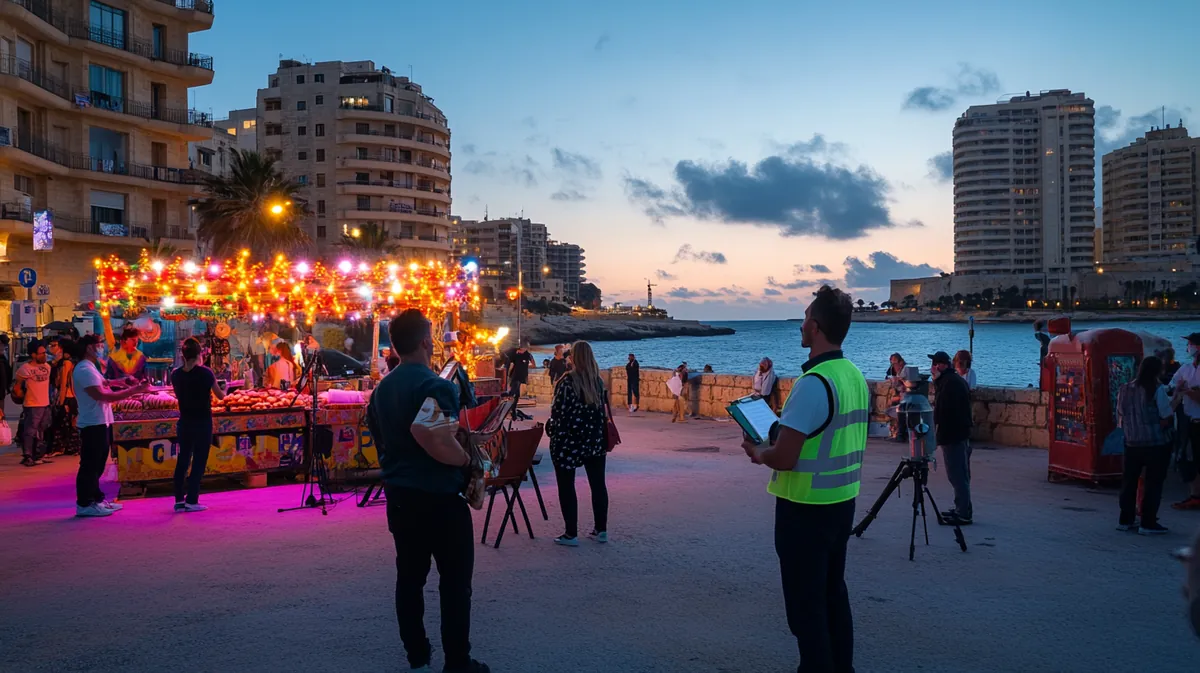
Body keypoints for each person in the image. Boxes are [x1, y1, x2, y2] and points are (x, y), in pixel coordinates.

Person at [739, 285, 865, 673]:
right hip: (841, 504)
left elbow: (786, 457)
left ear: (815, 326)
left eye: (805, 317)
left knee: (806, 612)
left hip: (804, 511)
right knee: (832, 597)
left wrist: (759, 452)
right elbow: (823, 435)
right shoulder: (853, 375)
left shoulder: (813, 383)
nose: (801, 324)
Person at [365, 309, 489, 673]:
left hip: (401, 496)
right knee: (454, 585)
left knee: (410, 579)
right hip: (439, 499)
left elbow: (392, 437)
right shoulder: (437, 384)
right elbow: (429, 434)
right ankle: (457, 662)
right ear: (424, 342)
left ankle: (417, 653)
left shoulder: (381, 389)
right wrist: (466, 459)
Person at [72, 334, 147, 517]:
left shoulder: (91, 367)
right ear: (89, 347)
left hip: (101, 421)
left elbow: (102, 384)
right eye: (98, 345)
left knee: (98, 465)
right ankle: (85, 503)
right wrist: (132, 391)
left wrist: (119, 382)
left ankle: (96, 499)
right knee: (90, 465)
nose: (101, 348)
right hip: (92, 423)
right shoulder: (83, 369)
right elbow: (102, 395)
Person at [547, 340, 611, 547]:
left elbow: (558, 413)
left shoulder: (567, 382)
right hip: (594, 439)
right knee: (598, 485)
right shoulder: (597, 381)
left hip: (569, 441)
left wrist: (551, 429)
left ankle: (571, 533)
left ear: (574, 357)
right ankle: (601, 530)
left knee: (567, 486)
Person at [1116, 356, 1174, 535]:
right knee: (1153, 483)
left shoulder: (1124, 389)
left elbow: (1120, 415)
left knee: (1129, 482)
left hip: (1132, 442)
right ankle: (1148, 523)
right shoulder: (1156, 390)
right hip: (1155, 443)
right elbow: (1165, 416)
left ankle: (1125, 519)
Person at [171, 338, 225, 513]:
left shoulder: (176, 374)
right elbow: (220, 396)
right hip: (202, 422)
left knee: (183, 460)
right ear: (200, 354)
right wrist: (226, 388)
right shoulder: (206, 373)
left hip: (184, 422)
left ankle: (179, 499)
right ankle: (192, 499)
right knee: (199, 461)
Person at [930, 350, 974, 525]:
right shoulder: (951, 381)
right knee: (960, 474)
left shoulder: (949, 383)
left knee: (957, 475)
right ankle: (962, 509)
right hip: (959, 434)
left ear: (943, 365)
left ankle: (963, 513)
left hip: (953, 435)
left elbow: (943, 412)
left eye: (935, 364)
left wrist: (936, 433)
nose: (932, 368)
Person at [1172, 333, 1200, 511]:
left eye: (1190, 344)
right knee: (1188, 458)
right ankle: (1194, 494)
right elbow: (1173, 387)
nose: (1188, 348)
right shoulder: (1186, 368)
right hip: (1188, 422)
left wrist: (1188, 391)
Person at [15, 340, 53, 467]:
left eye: (44, 353)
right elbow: (17, 387)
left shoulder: (47, 367)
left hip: (45, 403)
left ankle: (38, 454)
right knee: (30, 431)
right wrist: (20, 395)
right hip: (32, 404)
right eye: (41, 353)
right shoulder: (25, 369)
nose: (44, 355)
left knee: (42, 429)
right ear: (33, 355)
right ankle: (28, 456)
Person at [49, 338, 81, 457]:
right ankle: (72, 447)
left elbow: (63, 384)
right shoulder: (73, 362)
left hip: (67, 397)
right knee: (71, 424)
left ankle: (63, 447)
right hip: (72, 397)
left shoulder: (66, 363)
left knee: (63, 424)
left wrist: (60, 401)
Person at [504, 341, 535, 418]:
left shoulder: (528, 355)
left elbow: (533, 364)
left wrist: (525, 366)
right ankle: (510, 410)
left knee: (516, 395)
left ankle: (513, 410)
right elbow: (509, 363)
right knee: (513, 393)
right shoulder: (515, 354)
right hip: (515, 376)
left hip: (521, 377)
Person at [886, 353, 908, 443]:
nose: (893, 366)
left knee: (893, 410)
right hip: (901, 398)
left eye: (894, 363)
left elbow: (904, 389)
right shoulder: (894, 370)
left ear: (900, 362)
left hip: (905, 400)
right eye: (891, 363)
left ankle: (899, 434)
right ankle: (896, 432)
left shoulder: (905, 371)